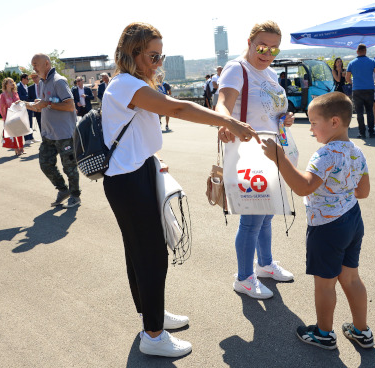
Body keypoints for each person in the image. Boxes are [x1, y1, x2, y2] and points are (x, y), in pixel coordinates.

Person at [101, 22, 258, 358]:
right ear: (134, 53)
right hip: (129, 181)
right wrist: (227, 121)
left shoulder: (130, 84)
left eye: (162, 55)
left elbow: (136, 132)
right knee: (151, 254)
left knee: (141, 252)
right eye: (153, 55)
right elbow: (177, 108)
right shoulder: (126, 84)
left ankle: (151, 318)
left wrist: (153, 159)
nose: (159, 62)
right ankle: (153, 335)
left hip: (136, 173)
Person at [261, 91, 373, 351]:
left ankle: (324, 333)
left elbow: (303, 187)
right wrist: (341, 190)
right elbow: (363, 192)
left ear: (334, 122)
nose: (311, 130)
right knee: (352, 279)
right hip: (353, 220)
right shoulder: (356, 151)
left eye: (313, 122)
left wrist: (279, 157)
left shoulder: (325, 155)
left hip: (327, 226)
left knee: (325, 284)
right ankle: (362, 331)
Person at [216, 20, 295, 300]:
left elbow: (273, 109)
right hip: (248, 152)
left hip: (271, 150)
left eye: (274, 48)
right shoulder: (237, 68)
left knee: (267, 213)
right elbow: (223, 101)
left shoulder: (270, 73)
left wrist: (285, 117)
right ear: (249, 43)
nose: (267, 52)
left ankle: (264, 264)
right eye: (262, 46)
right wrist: (224, 122)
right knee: (252, 220)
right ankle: (244, 278)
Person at [24, 53, 81, 209]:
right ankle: (63, 190)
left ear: (46, 64)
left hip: (64, 135)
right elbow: (47, 104)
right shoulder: (42, 83)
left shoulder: (59, 81)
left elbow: (70, 105)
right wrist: (26, 105)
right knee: (45, 164)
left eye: (35, 64)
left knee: (69, 167)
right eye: (32, 64)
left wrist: (46, 103)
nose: (33, 67)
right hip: (49, 134)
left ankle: (75, 196)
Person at [345, 43, 375, 139]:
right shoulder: (372, 61)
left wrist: (352, 83)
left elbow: (347, 78)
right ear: (365, 51)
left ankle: (362, 133)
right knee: (369, 111)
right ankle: (371, 132)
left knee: (359, 112)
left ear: (357, 51)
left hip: (357, 90)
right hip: (369, 89)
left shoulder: (351, 63)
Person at [0, 77, 25, 156]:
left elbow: (19, 104)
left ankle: (21, 148)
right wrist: (4, 117)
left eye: (12, 82)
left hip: (17, 115)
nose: (12, 83)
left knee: (19, 132)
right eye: (10, 82)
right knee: (12, 134)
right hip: (9, 116)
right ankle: (16, 148)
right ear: (6, 84)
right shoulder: (3, 95)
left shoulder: (15, 93)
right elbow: (2, 107)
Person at [17, 73, 35, 144]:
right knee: (25, 123)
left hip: (29, 106)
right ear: (23, 79)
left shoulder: (26, 86)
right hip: (23, 107)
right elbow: (19, 96)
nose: (28, 80)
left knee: (30, 122)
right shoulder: (19, 86)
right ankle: (27, 139)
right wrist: (28, 97)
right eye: (27, 79)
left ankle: (31, 137)